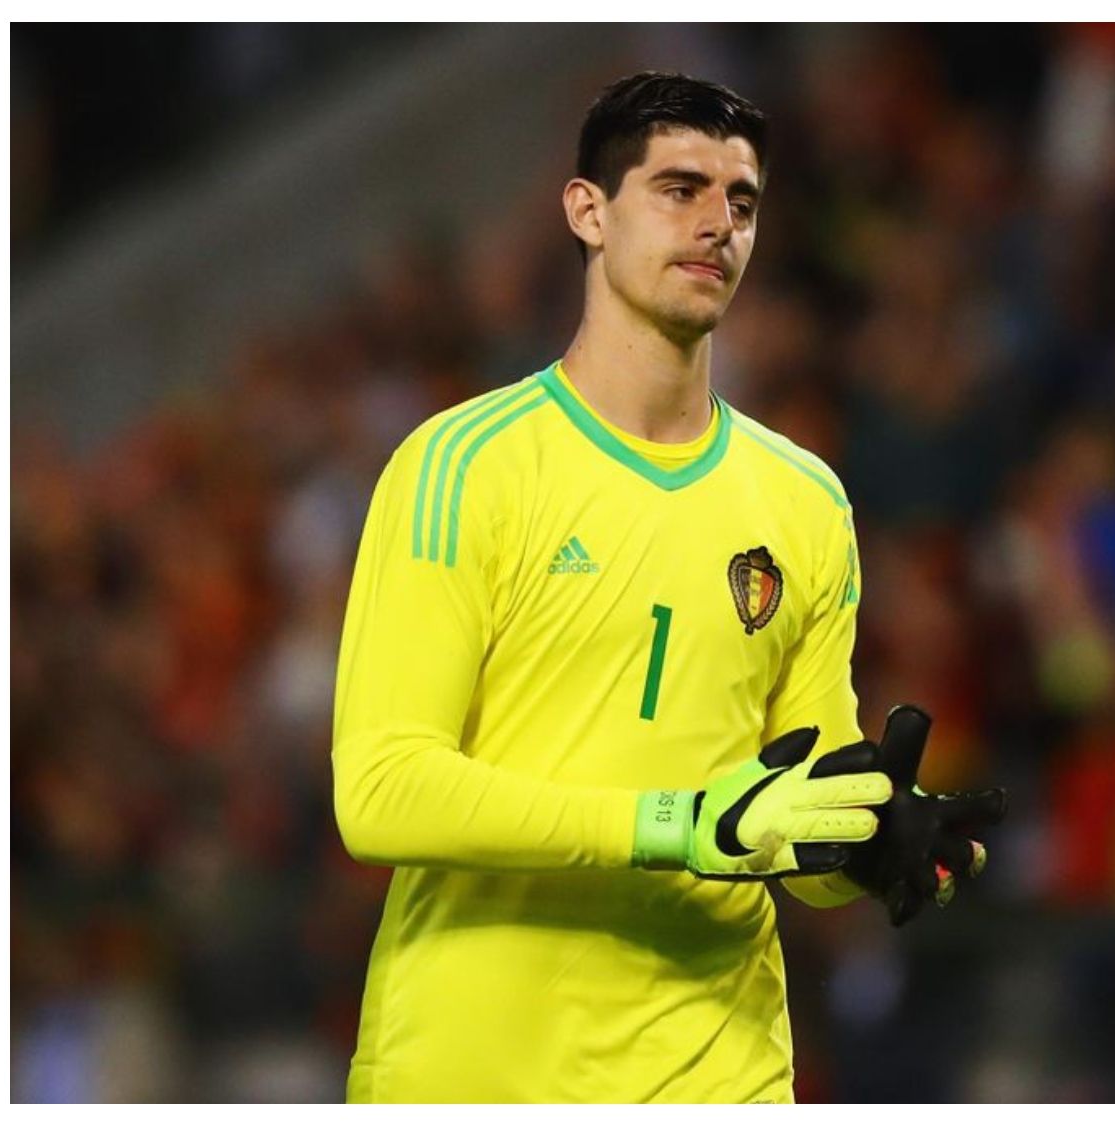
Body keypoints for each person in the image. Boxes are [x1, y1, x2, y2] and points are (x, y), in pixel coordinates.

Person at [331, 71, 1001, 1103]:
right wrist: (673, 824)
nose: (717, 224)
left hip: (714, 1072)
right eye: (679, 188)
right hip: (479, 1072)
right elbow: (381, 793)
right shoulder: (461, 466)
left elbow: (779, 823)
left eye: (741, 201)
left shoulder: (804, 500)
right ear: (586, 211)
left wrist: (865, 840)